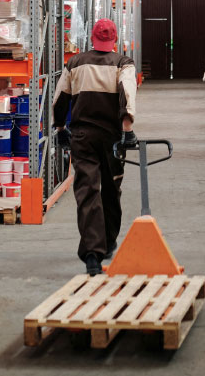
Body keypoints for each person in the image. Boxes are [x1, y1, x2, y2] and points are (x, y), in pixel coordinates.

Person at [52, 19, 138, 275]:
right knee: (111, 188)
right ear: (114, 39)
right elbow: (127, 93)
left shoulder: (75, 63)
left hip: (82, 136)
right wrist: (128, 129)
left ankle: (92, 253)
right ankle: (108, 242)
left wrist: (59, 128)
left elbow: (61, 98)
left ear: (92, 38)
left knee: (88, 190)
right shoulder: (123, 63)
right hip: (112, 138)